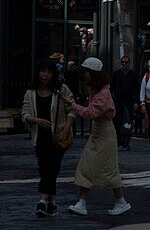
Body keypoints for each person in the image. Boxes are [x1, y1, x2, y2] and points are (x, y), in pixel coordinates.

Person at [67, 58, 131, 216]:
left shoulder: (102, 93)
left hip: (104, 133)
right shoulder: (97, 90)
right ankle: (83, 202)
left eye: (87, 72)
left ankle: (120, 201)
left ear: (93, 74)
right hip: (98, 132)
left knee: (107, 168)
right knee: (88, 166)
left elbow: (90, 113)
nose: (84, 75)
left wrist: (72, 105)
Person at [21, 58, 75, 216]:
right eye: (42, 71)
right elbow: (25, 114)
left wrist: (66, 129)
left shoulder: (61, 90)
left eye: (48, 72)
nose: (45, 75)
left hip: (58, 136)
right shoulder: (30, 93)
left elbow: (72, 108)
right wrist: (36, 120)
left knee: (51, 168)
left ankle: (42, 202)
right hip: (39, 137)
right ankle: (52, 203)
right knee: (44, 169)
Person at [110, 55, 140, 151]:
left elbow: (136, 89)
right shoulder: (116, 74)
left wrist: (136, 102)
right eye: (122, 62)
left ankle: (126, 142)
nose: (124, 64)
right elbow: (112, 88)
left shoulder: (133, 75)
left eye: (126, 62)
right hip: (118, 101)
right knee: (118, 123)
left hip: (129, 102)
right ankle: (119, 142)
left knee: (128, 123)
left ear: (129, 63)